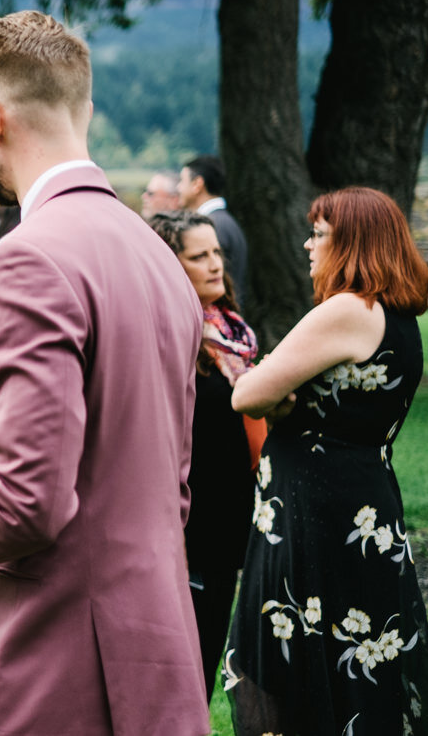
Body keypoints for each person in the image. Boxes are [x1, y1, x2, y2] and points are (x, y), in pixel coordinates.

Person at [0, 11, 210, 735]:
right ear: (83, 108)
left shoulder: (30, 257)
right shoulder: (158, 253)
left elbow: (27, 500)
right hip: (160, 637)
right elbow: (174, 487)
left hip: (59, 657)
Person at [223, 186, 428, 735]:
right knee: (359, 661)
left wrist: (269, 379)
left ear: (353, 242)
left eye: (319, 234)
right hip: (362, 503)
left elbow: (246, 395)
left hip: (314, 513)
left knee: (307, 659)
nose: (307, 244)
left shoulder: (346, 309)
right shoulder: (400, 319)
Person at [149, 210, 258, 700]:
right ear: (170, 265)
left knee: (201, 672)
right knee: (171, 679)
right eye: (199, 256)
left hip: (228, 527)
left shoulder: (233, 335)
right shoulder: (165, 338)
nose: (216, 264)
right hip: (182, 529)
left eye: (217, 252)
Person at [178, 154, 248, 307]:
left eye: (182, 181)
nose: (178, 188)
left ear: (197, 184)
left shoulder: (213, 226)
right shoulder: (226, 221)